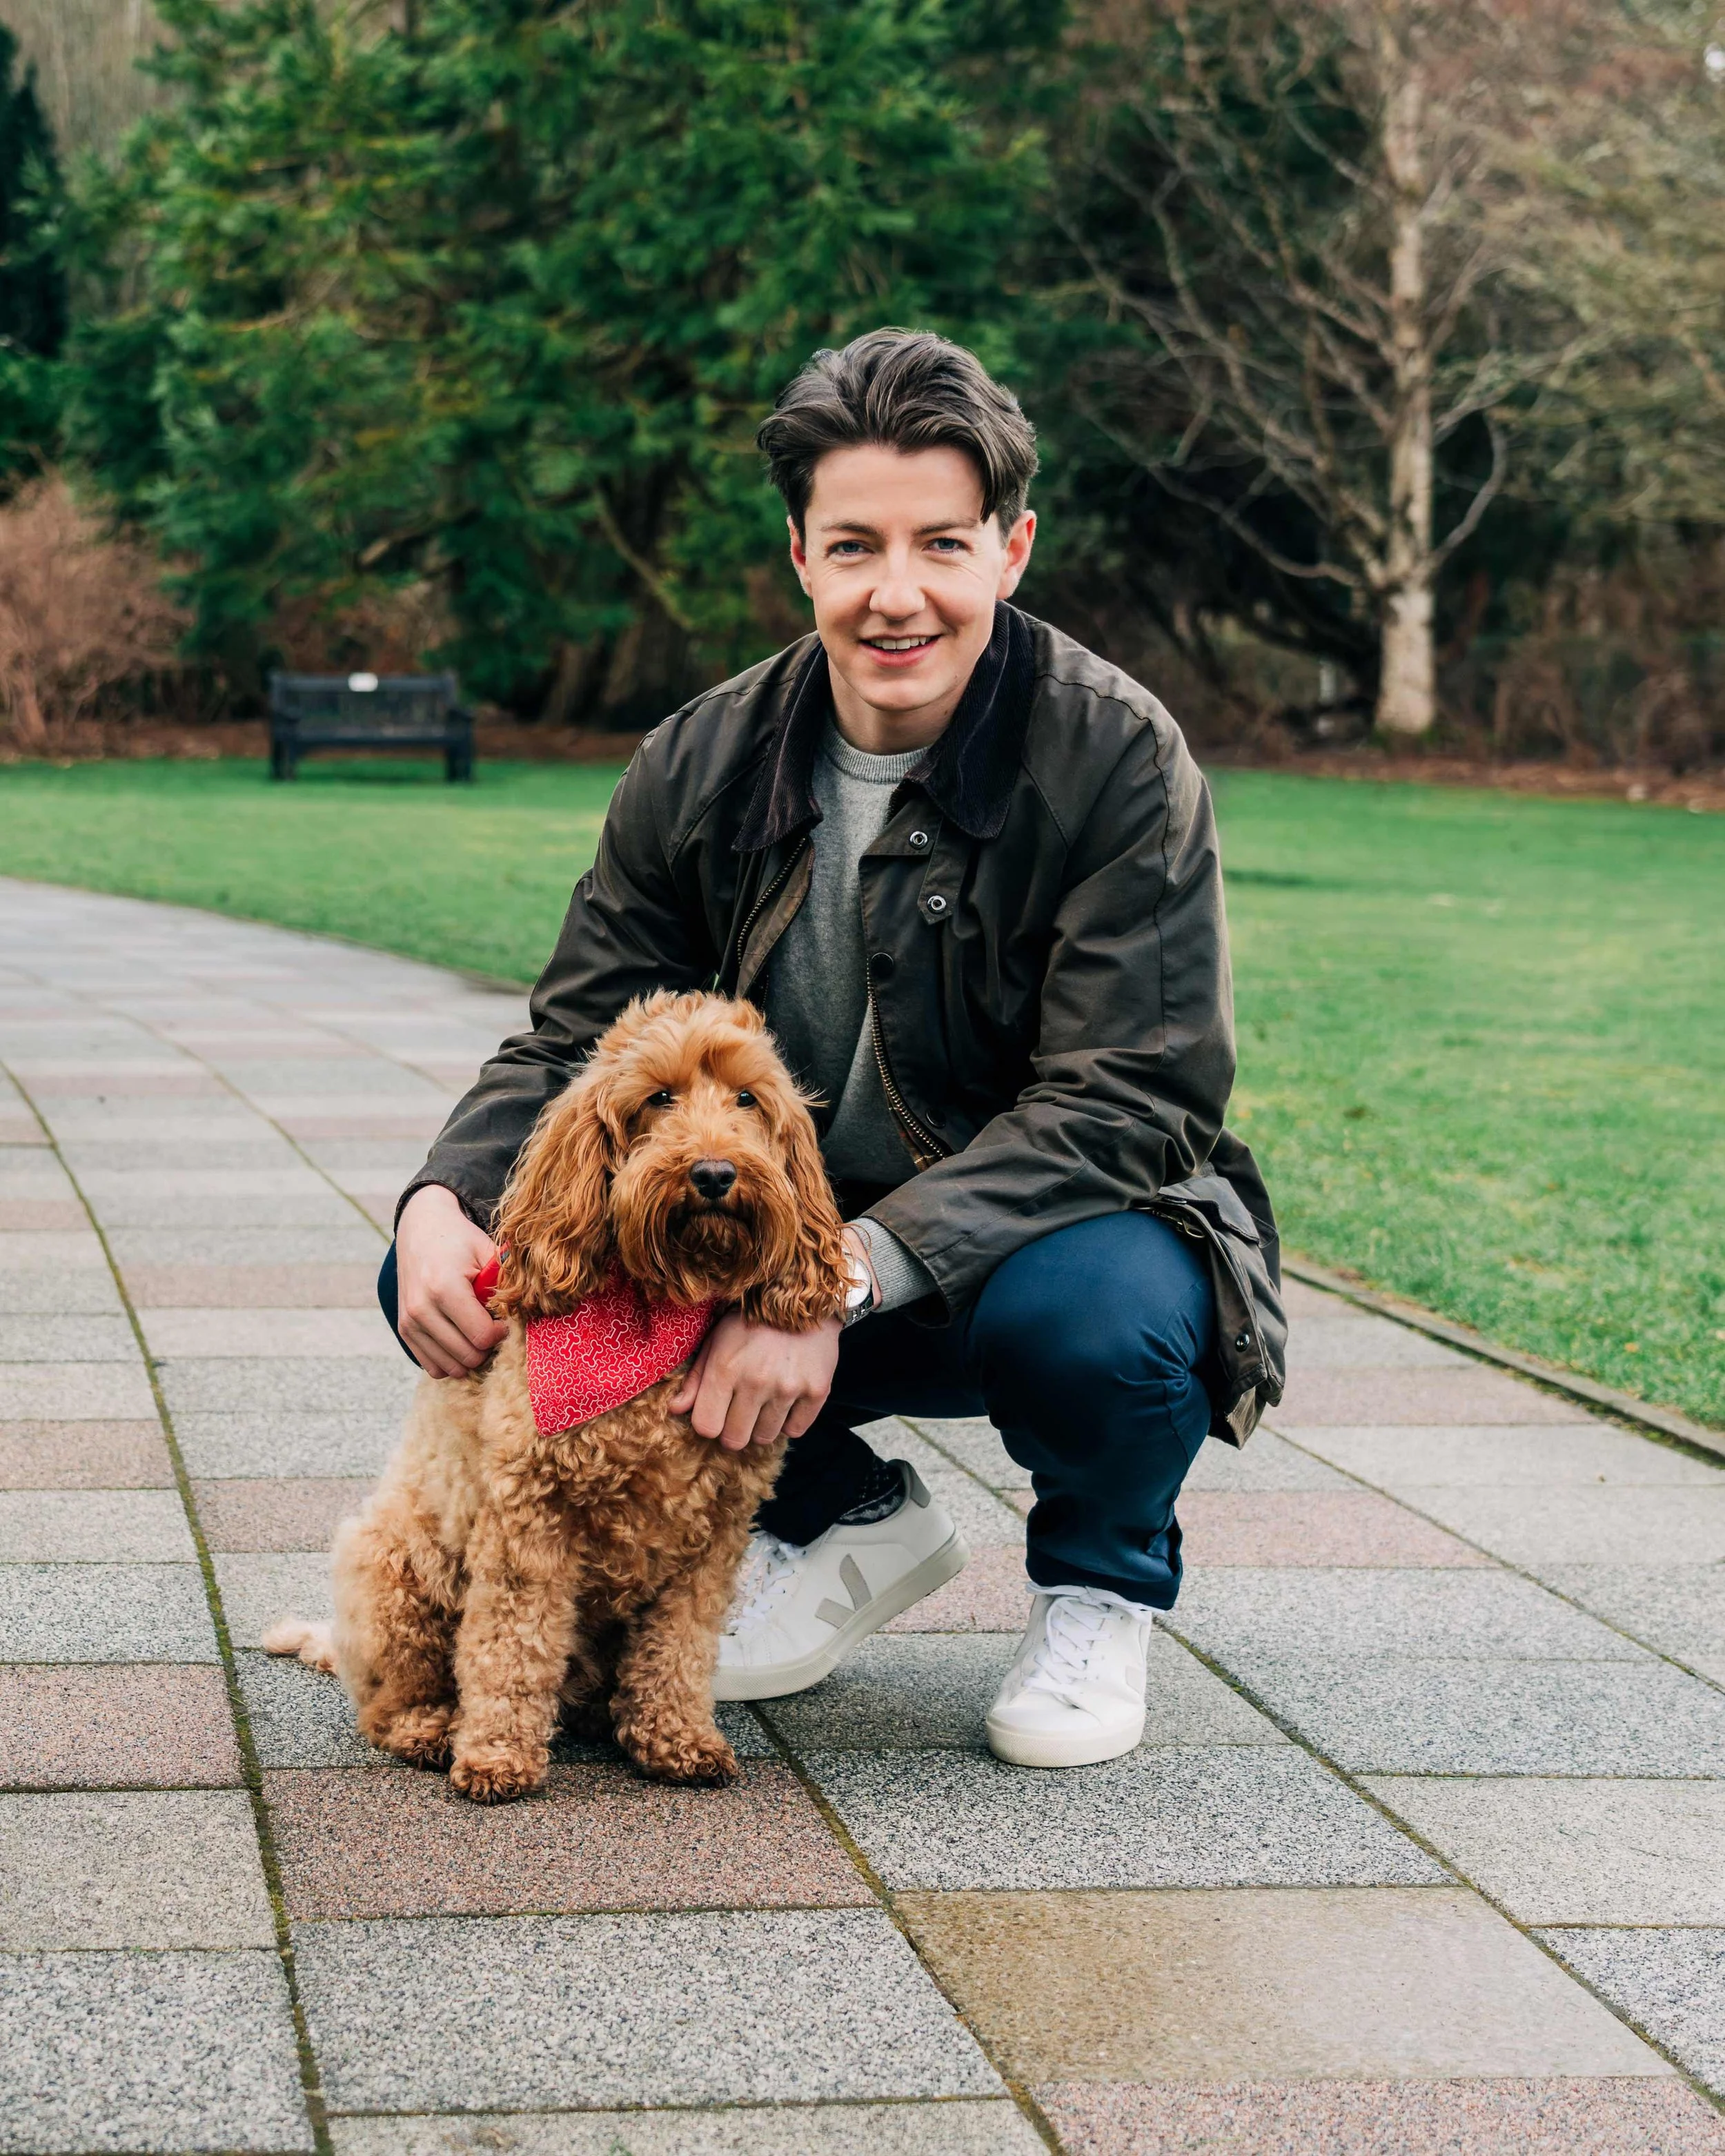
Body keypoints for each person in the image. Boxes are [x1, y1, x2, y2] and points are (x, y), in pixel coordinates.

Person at [384, 328, 1283, 1770]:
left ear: (1012, 547)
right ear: (799, 555)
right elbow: (573, 1030)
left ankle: (1096, 1589)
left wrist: (844, 1276)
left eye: (941, 542)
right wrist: (440, 1196)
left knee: (1107, 1322)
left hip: (1004, 1246)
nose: (897, 592)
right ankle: (837, 1509)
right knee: (451, 1271)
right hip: (737, 1240)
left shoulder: (1112, 756)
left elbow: (1136, 1092)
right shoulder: (701, 757)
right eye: (853, 544)